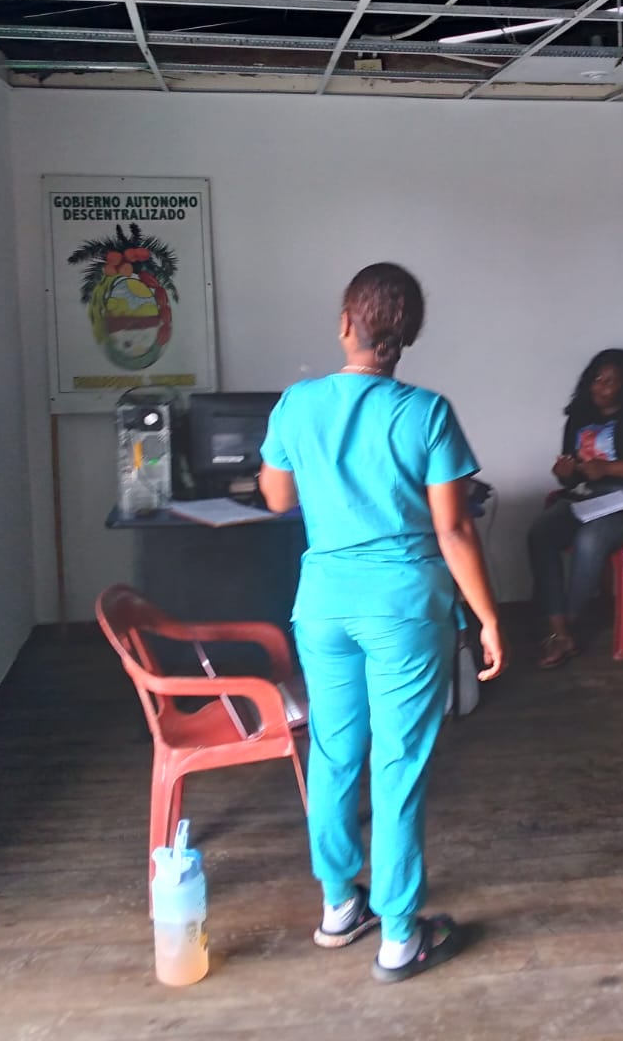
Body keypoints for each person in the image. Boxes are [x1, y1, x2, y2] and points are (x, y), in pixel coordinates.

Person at [258, 262, 505, 983]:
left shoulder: (297, 404)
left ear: (346, 324)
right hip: (404, 610)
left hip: (323, 607)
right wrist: (488, 618)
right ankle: (399, 936)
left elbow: (277, 498)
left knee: (334, 754)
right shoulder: (426, 413)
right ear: (408, 337)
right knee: (398, 765)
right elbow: (454, 529)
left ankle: (340, 905)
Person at [527, 349, 623, 669]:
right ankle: (559, 629)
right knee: (541, 532)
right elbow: (573, 477)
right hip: (588, 497)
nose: (601, 387)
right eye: (597, 379)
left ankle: (564, 629)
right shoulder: (579, 416)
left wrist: (608, 469)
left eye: (611, 381)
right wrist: (565, 473)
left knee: (590, 538)